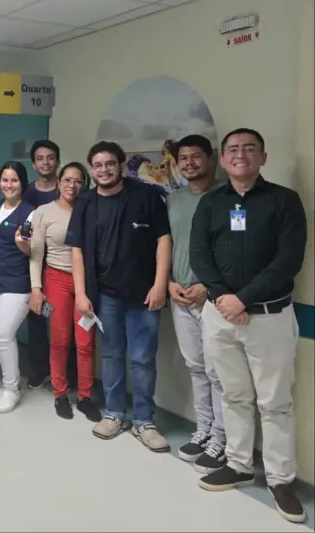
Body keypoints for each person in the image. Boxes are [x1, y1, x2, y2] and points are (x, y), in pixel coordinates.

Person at [190, 128, 307, 524]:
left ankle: (280, 479)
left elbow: (288, 260)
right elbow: (200, 254)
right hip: (219, 315)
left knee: (275, 402)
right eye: (233, 150)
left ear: (263, 157)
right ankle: (239, 464)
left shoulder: (284, 201)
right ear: (223, 160)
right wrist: (224, 297)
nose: (241, 155)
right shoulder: (211, 203)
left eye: (249, 149)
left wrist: (243, 299)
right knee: (234, 395)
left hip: (269, 317)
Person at [66, 141, 172, 452]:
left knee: (142, 359)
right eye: (97, 165)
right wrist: (81, 294)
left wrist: (160, 284)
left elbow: (164, 240)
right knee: (111, 356)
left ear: (122, 165)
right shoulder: (85, 202)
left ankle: (144, 421)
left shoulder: (147, 196)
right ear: (92, 169)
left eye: (110, 163)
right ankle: (115, 414)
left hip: (144, 295)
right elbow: (76, 251)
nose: (104, 170)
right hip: (105, 296)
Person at [166, 134, 226, 474]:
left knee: (219, 372)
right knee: (196, 367)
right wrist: (170, 283)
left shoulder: (227, 196)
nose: (189, 163)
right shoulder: (173, 200)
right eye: (183, 158)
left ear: (211, 158)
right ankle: (204, 430)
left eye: (195, 156)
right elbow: (167, 246)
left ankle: (222, 437)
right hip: (180, 295)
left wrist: (209, 286)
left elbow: (234, 252)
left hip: (215, 298)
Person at [29, 162, 100, 422]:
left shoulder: (90, 209)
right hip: (55, 279)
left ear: (85, 184)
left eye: (78, 181)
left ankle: (85, 397)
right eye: (67, 180)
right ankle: (60, 394)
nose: (72, 185)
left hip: (86, 284)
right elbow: (36, 254)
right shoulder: (44, 212)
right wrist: (36, 288)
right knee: (59, 341)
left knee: (85, 343)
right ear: (58, 183)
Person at [0, 161, 34, 414]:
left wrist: (21, 243)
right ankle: (10, 383)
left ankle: (11, 389)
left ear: (22, 183)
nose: (9, 185)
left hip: (18, 283)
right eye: (5, 180)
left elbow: (35, 251)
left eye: (14, 180)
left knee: (2, 333)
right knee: (2, 337)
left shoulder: (30, 212)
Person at [22, 140, 66, 391]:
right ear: (33, 164)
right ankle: (39, 370)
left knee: (62, 321)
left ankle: (65, 373)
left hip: (62, 265)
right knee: (37, 317)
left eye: (50, 158)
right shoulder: (28, 193)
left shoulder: (67, 188)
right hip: (34, 263)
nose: (46, 163)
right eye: (40, 158)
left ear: (57, 161)